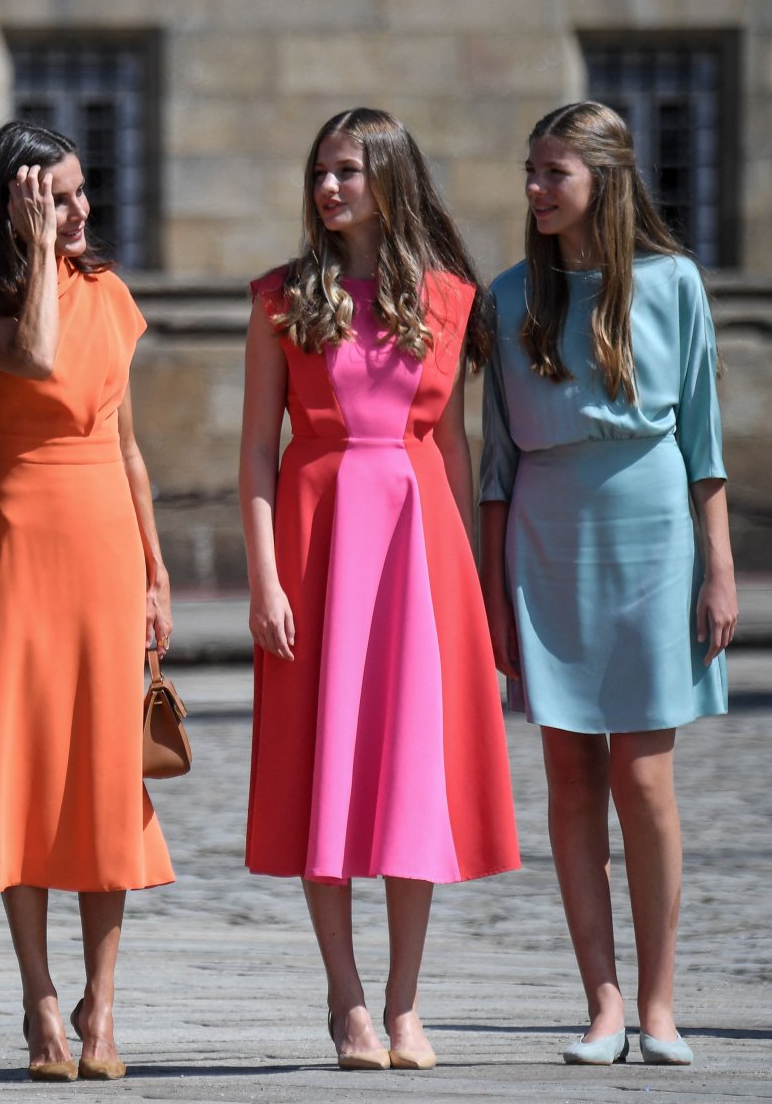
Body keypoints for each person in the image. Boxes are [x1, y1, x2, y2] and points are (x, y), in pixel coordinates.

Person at [239, 108, 520, 1072]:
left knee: (409, 774)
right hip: (315, 547)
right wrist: (264, 579)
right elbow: (253, 455)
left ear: (390, 179)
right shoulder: (280, 298)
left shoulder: (449, 299)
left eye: (349, 171)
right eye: (321, 171)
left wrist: (475, 593)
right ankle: (347, 999)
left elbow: (452, 447)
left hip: (418, 552)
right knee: (323, 770)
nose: (329, 188)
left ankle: (405, 1005)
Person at [479, 101, 737, 1067]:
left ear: (606, 181)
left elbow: (705, 443)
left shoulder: (675, 286)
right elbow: (494, 466)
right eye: (531, 172)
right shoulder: (508, 299)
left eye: (556, 173)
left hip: (657, 534)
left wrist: (718, 569)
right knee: (569, 774)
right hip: (546, 540)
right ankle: (601, 1002)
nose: (537, 189)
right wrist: (492, 594)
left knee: (644, 775)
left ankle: (663, 1005)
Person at [0, 121, 174, 1083]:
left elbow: (124, 447)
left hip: (108, 548)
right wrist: (35, 253)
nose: (79, 213)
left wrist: (157, 575)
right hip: (24, 548)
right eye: (57, 198)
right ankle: (41, 1003)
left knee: (106, 779)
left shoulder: (109, 294)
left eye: (81, 195)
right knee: (26, 769)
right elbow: (34, 359)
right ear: (14, 204)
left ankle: (102, 1008)